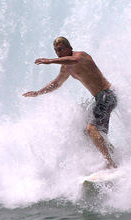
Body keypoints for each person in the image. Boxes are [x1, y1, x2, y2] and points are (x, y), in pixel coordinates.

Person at [23, 37, 118, 168]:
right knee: (87, 132)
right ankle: (113, 154)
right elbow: (56, 83)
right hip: (100, 98)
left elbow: (74, 60)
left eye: (60, 49)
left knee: (91, 129)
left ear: (69, 48)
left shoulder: (81, 56)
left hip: (107, 95)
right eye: (56, 51)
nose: (58, 53)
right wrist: (38, 93)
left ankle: (110, 163)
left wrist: (49, 61)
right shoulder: (66, 68)